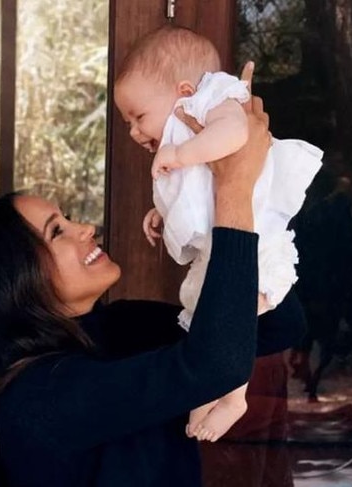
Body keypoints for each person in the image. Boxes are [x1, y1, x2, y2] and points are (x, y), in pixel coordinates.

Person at [0, 83, 307, 486]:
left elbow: (276, 326)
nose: (86, 229)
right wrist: (233, 189)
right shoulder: (36, 398)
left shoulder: (120, 327)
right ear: (14, 282)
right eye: (57, 231)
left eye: (68, 217)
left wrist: (212, 216)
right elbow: (216, 366)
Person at [113, 24, 322, 442]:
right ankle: (211, 389)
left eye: (139, 116)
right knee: (204, 314)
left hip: (256, 240)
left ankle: (233, 396)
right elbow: (199, 191)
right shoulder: (186, 130)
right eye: (127, 122)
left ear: (185, 90)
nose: (135, 132)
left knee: (233, 317)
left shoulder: (216, 100)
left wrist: (180, 152)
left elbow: (236, 135)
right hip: (224, 242)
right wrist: (162, 211)